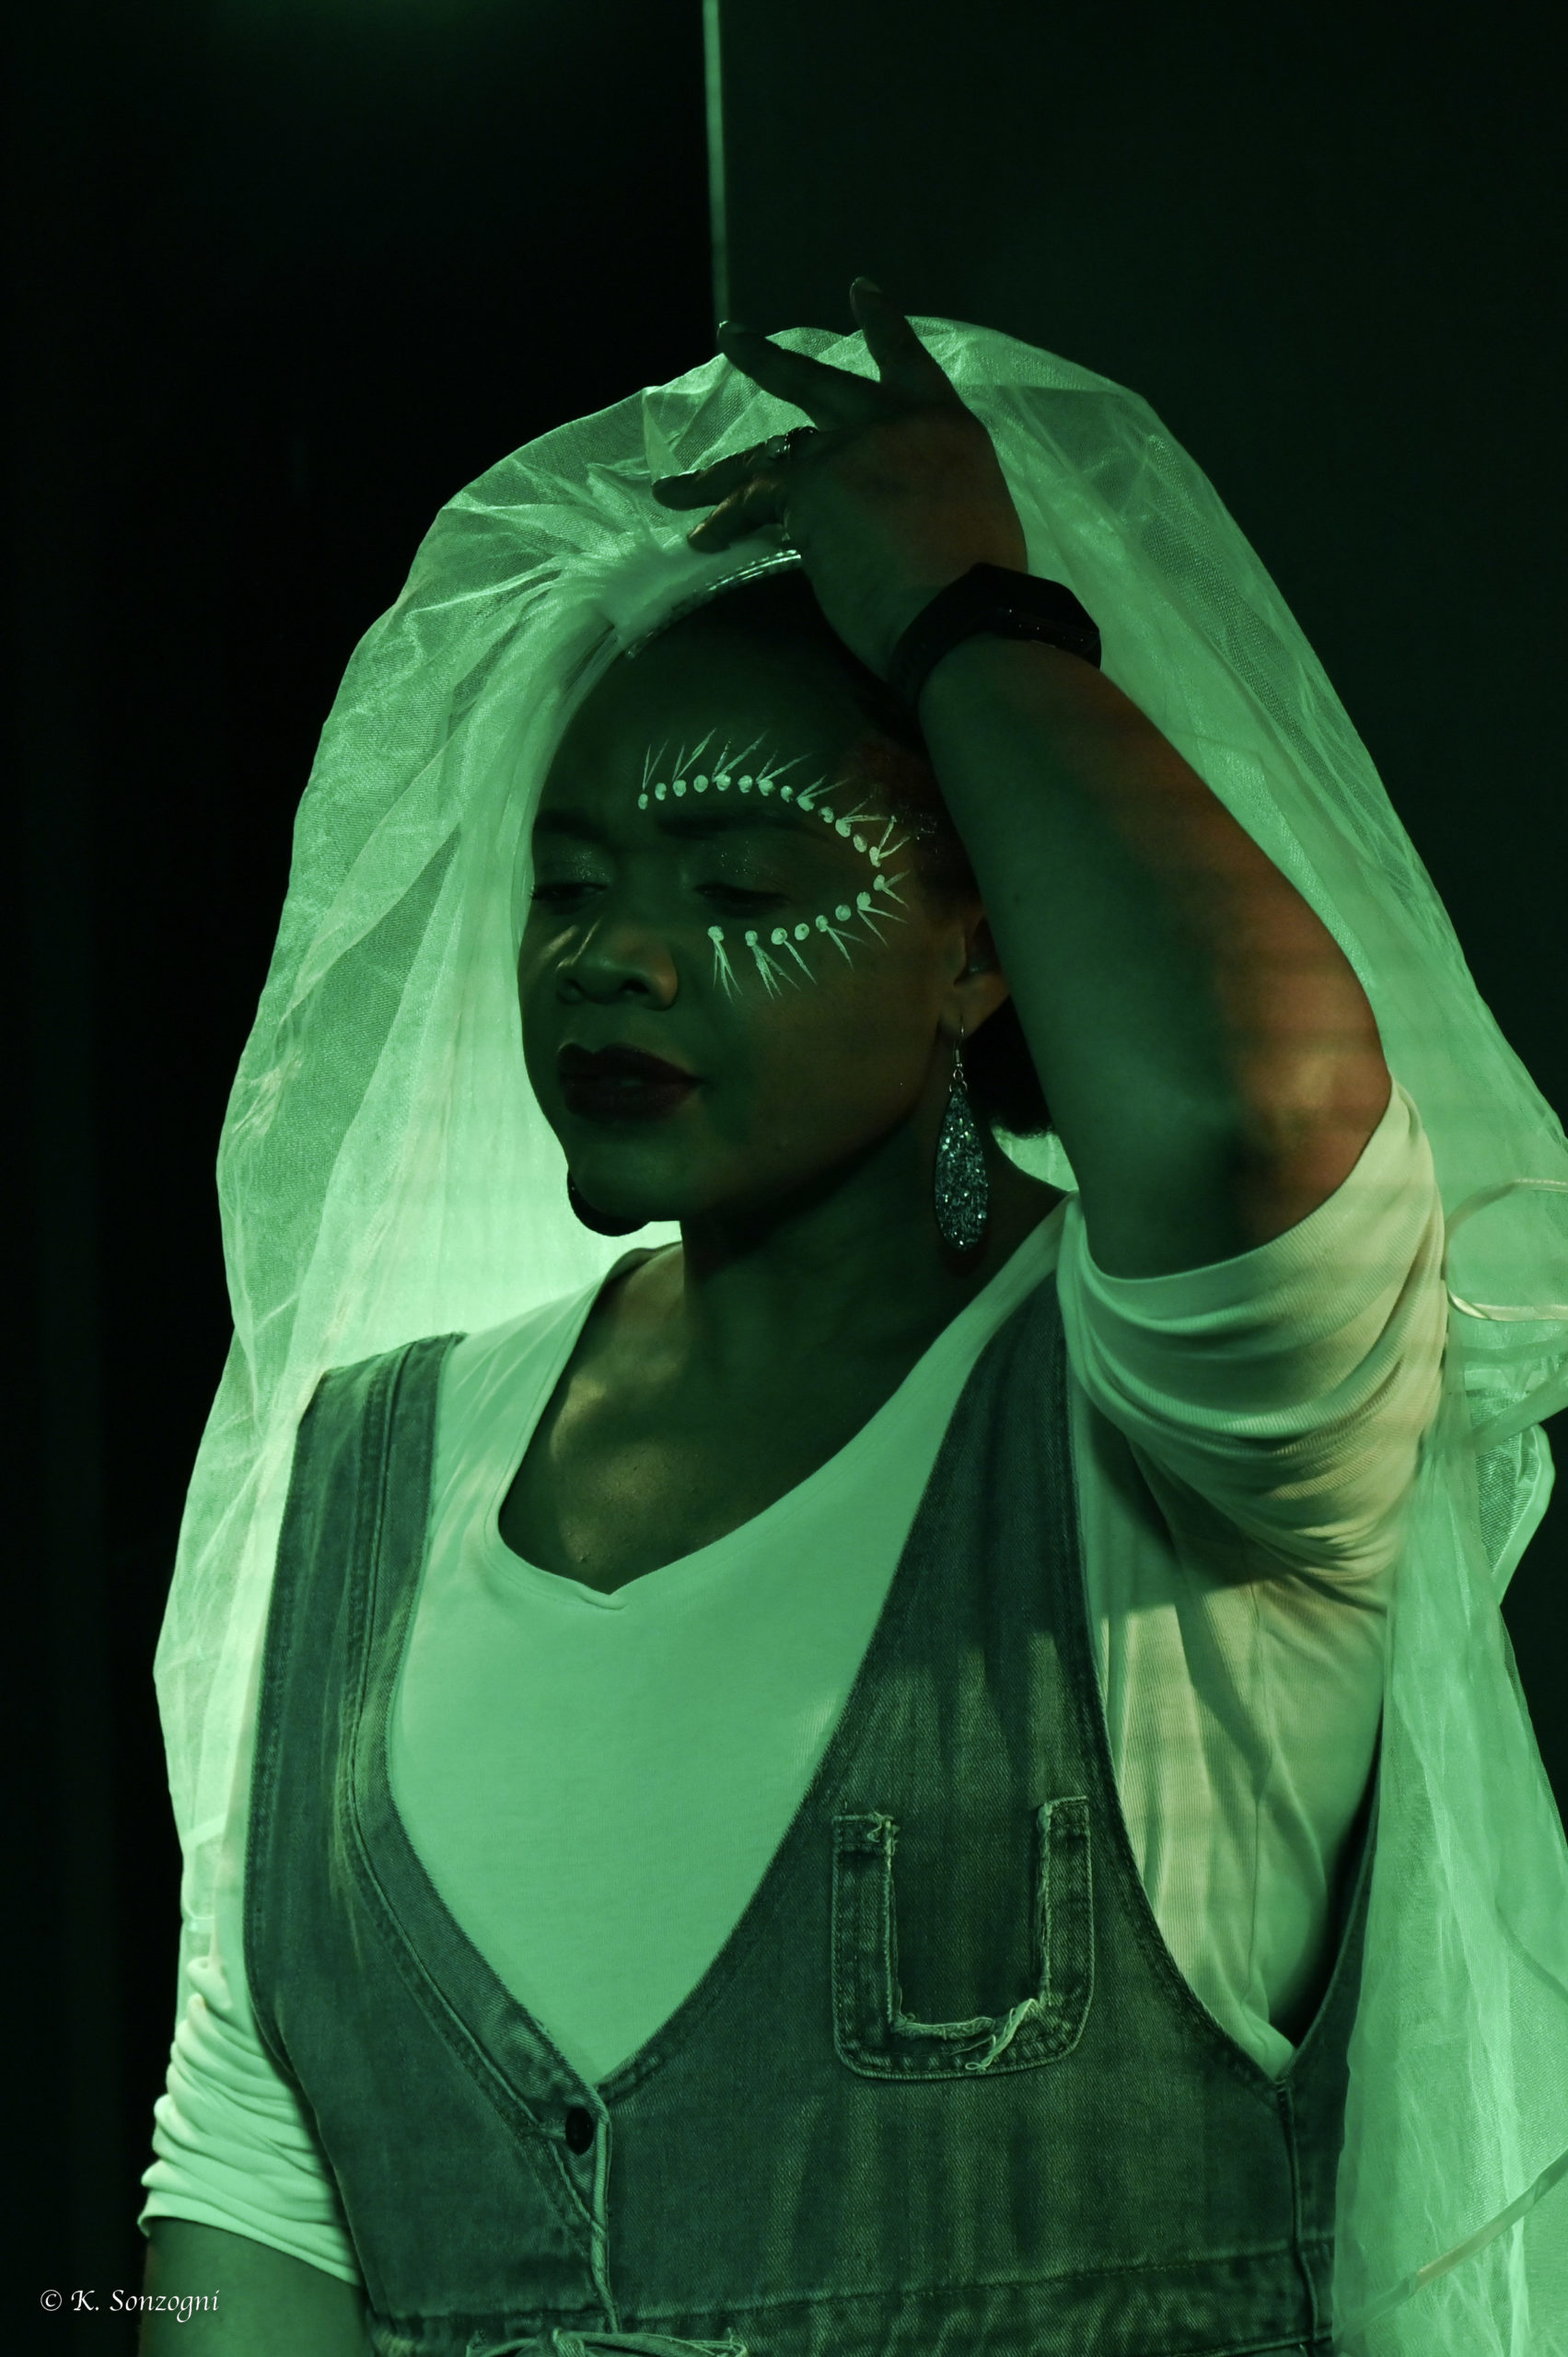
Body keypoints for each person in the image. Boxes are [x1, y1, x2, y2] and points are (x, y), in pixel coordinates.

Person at [136, 288, 1568, 2355]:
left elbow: (1248, 1117)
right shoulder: (360, 1479)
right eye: (571, 884)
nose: (616, 955)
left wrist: (968, 617)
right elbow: (250, 2181)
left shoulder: (1179, 1443)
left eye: (737, 883)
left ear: (980, 952)